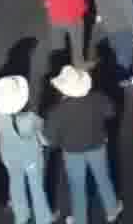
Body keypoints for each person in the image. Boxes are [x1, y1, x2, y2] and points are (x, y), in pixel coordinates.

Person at [44, 65, 123, 224]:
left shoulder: (58, 111)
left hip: (72, 151)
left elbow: (50, 138)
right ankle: (112, 209)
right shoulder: (98, 98)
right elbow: (110, 112)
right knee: (103, 177)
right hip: (97, 145)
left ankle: (80, 219)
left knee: (77, 186)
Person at [0, 75, 56, 224]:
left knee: (16, 185)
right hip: (31, 158)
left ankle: (21, 217)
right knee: (36, 188)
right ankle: (43, 218)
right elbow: (44, 139)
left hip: (10, 157)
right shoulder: (31, 118)